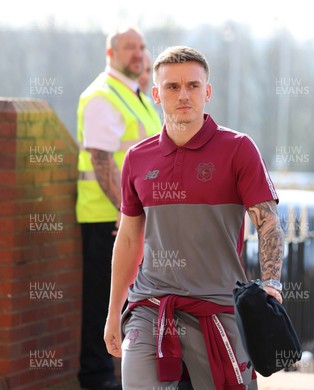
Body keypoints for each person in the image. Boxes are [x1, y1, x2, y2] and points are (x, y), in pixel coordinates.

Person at [103, 46, 284, 390]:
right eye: (172, 87)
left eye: (193, 85)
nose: (183, 95)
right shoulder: (137, 158)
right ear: (156, 94)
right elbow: (127, 239)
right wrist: (114, 312)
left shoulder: (238, 148)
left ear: (207, 91)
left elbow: (268, 222)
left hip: (218, 308)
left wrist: (272, 283)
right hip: (150, 307)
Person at [76, 26, 162, 390]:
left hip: (131, 216)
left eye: (141, 47)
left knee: (131, 298)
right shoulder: (101, 95)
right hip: (107, 218)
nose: (138, 53)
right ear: (110, 54)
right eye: (129, 47)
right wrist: (124, 213)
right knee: (103, 299)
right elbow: (100, 160)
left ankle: (122, 374)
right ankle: (96, 378)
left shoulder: (134, 94)